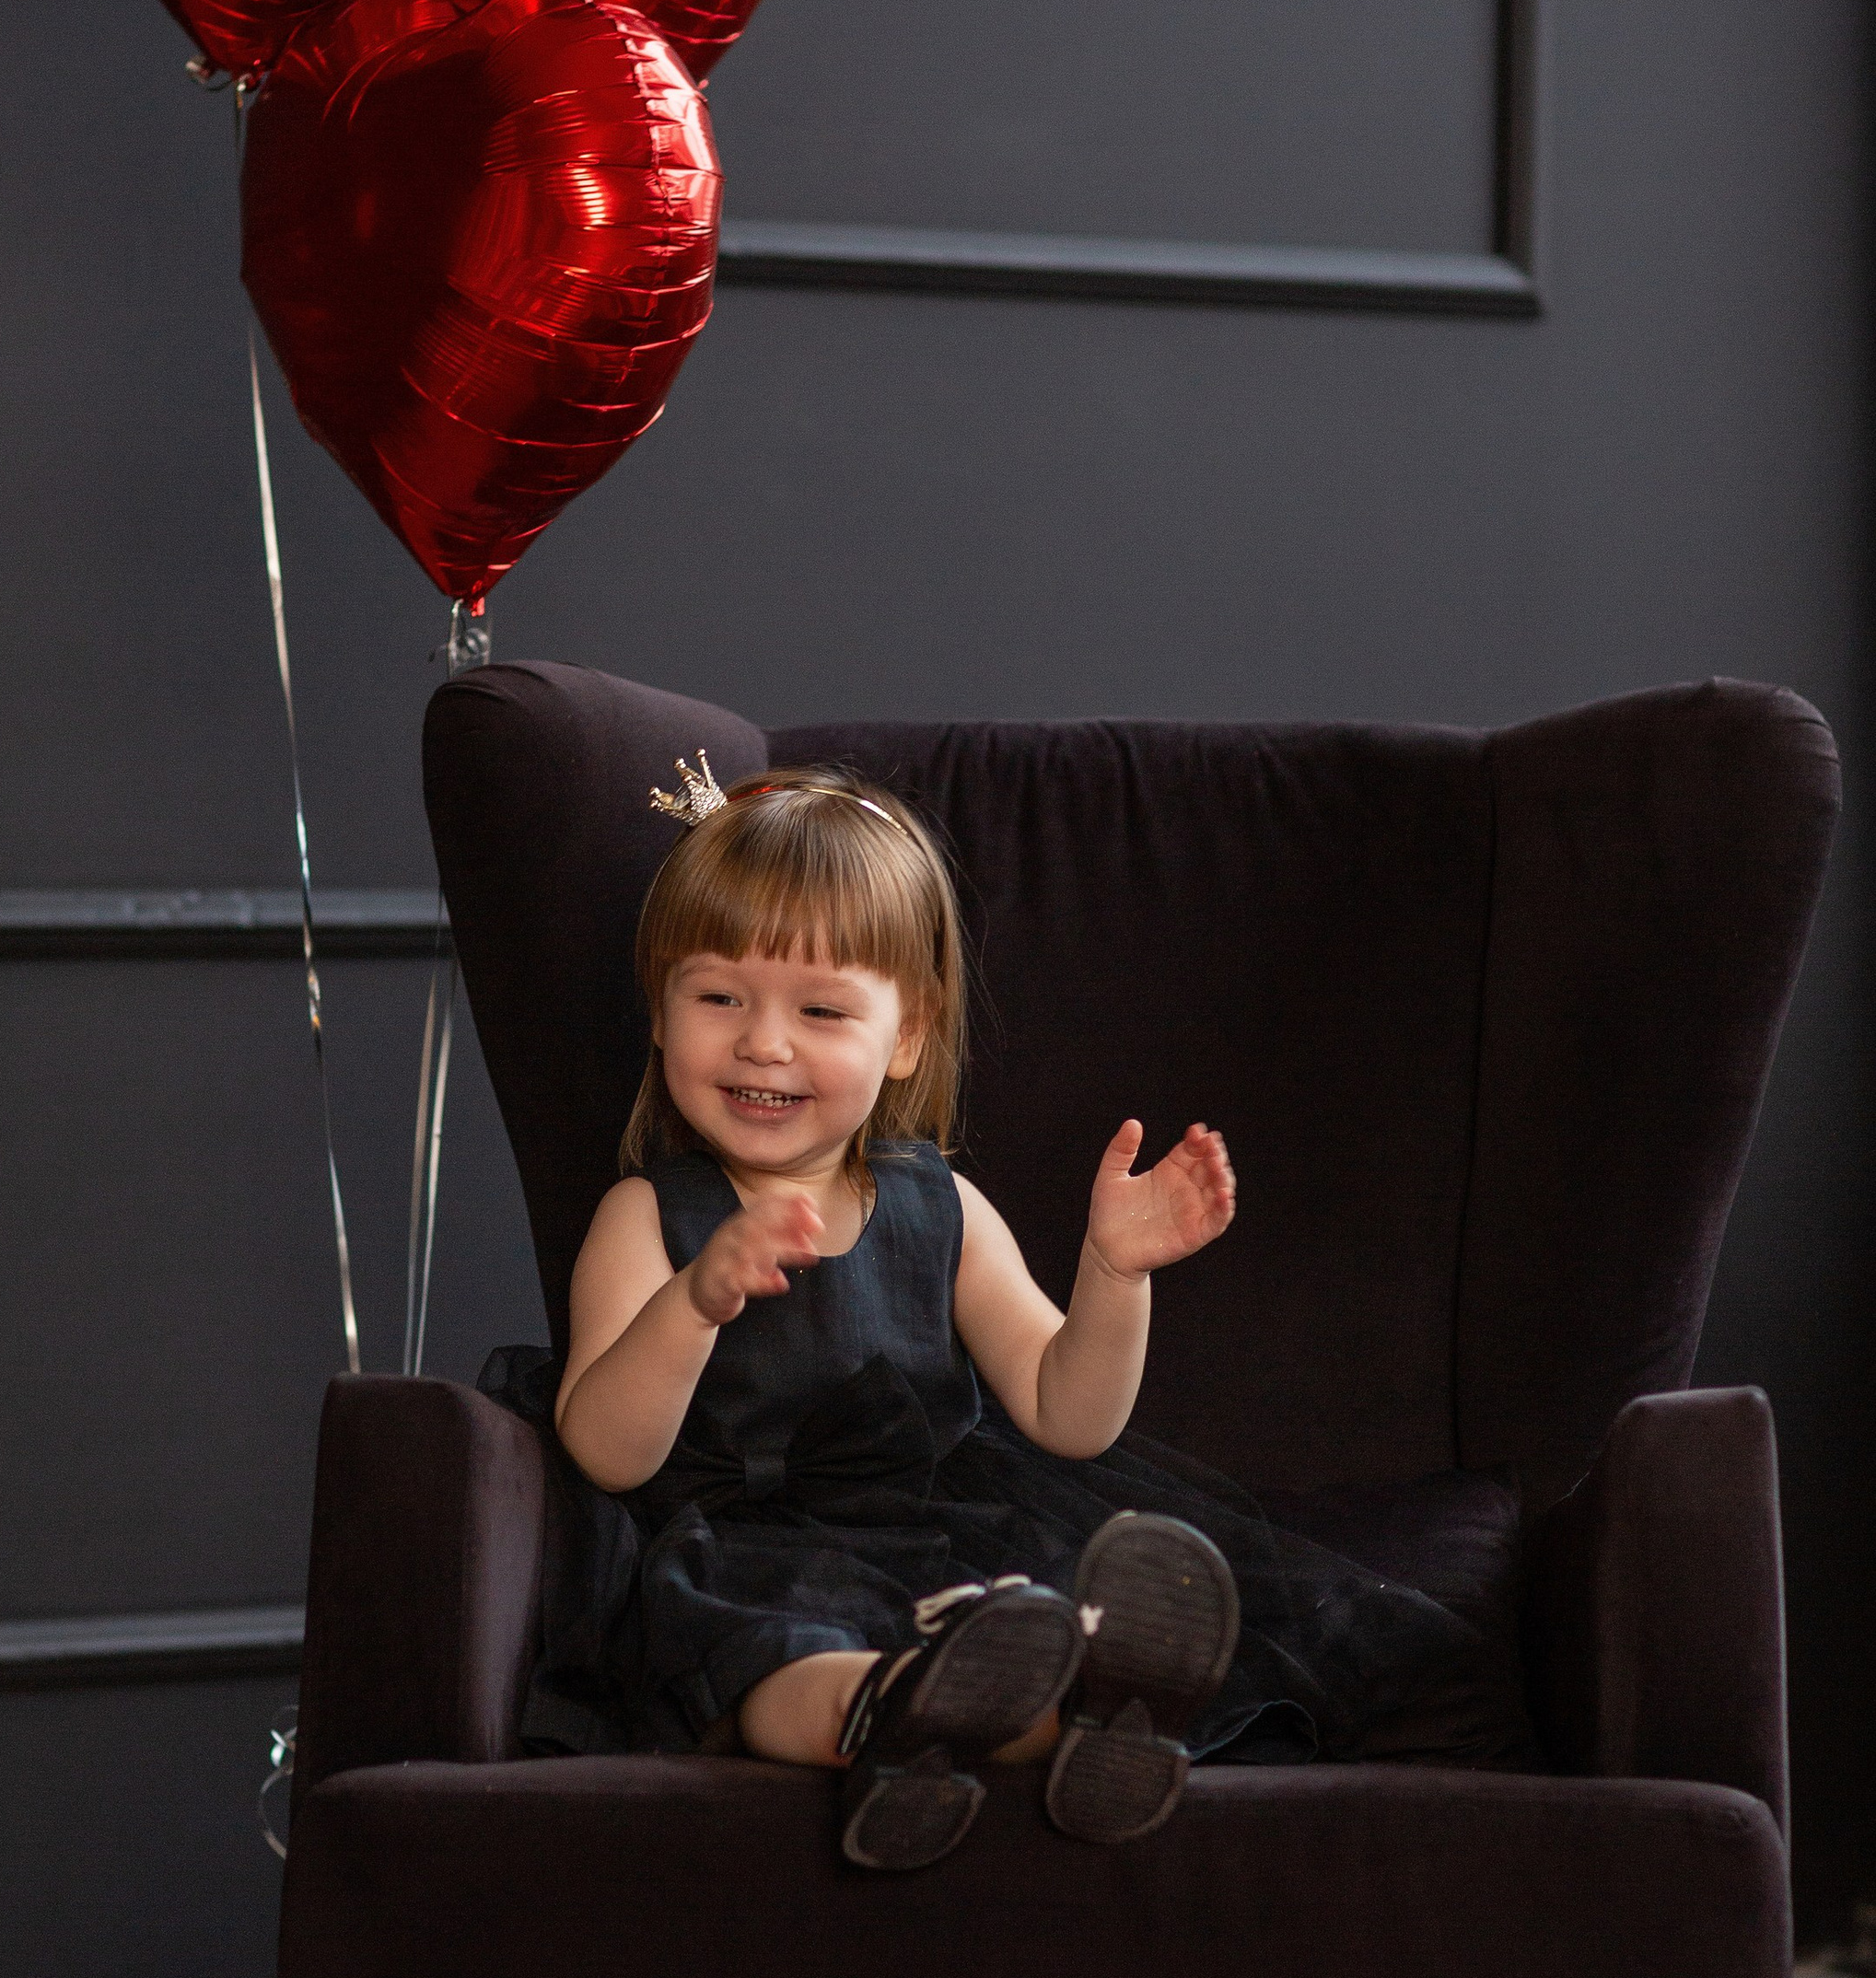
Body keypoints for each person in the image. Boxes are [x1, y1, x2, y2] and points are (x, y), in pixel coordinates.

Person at [518, 756, 1525, 1871]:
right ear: (660, 1015)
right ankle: (892, 1714)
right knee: (771, 1654)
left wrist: (1113, 1271)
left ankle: (1074, 1716)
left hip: (938, 1542)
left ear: (905, 1036)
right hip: (735, 1551)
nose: (764, 1042)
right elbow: (605, 1451)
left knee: (1028, 1614)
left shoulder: (937, 1207)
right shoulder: (648, 1214)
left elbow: (1067, 1414)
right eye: (718, 998)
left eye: (821, 1009)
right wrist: (693, 1304)